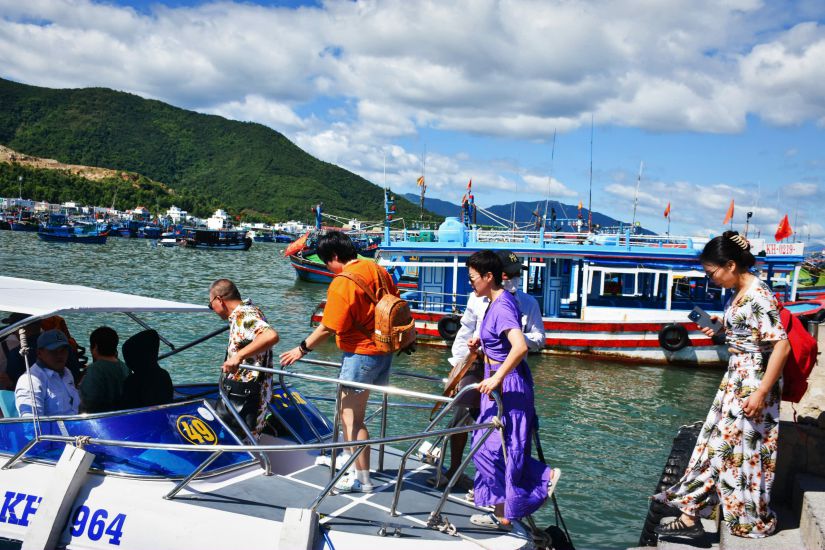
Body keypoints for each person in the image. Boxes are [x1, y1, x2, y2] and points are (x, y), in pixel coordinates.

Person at [653, 231, 790, 539]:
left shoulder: (758, 295)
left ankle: (699, 515)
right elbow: (744, 336)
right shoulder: (738, 293)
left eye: (712, 272)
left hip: (753, 382)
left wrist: (761, 391)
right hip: (737, 378)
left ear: (730, 265)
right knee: (719, 446)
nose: (710, 278)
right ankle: (694, 514)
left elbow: (781, 346)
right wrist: (718, 330)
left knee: (726, 448)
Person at [280, 231, 398, 493]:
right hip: (382, 351)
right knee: (355, 417)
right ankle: (355, 468)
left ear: (334, 257)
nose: (326, 268)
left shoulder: (343, 281)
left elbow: (328, 326)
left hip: (360, 354)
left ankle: (360, 479)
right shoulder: (376, 268)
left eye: (325, 263)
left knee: (350, 420)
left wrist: (301, 349)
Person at [434, 250, 545, 489]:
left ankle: (503, 485)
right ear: (498, 274)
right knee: (462, 419)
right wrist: (456, 369)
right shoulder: (477, 298)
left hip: (504, 369)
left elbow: (537, 339)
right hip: (476, 365)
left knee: (502, 430)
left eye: (517, 274)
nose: (514, 278)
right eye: (510, 274)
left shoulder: (525, 303)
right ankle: (457, 470)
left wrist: (507, 336)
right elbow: (465, 331)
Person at [465, 250, 559, 530]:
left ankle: (543, 476)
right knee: (493, 446)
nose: (469, 282)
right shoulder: (494, 303)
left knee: (494, 448)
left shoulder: (503, 305)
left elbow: (519, 347)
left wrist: (497, 378)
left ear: (488, 277)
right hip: (497, 380)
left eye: (472, 278)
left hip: (507, 384)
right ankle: (503, 514)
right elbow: (503, 344)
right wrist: (481, 346)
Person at [209, 279, 279, 438]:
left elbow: (271, 336)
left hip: (247, 397)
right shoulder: (248, 311)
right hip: (248, 392)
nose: (212, 309)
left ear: (219, 300)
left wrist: (238, 357)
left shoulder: (244, 316)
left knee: (244, 442)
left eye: (210, 304)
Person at [14, 329, 80, 417]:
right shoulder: (30, 381)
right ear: (39, 353)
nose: (59, 355)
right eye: (53, 351)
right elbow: (31, 423)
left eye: (63, 350)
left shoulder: (67, 373)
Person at [80, 326, 129, 413]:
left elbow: (87, 401)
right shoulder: (125, 367)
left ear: (95, 346)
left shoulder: (94, 369)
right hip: (121, 416)